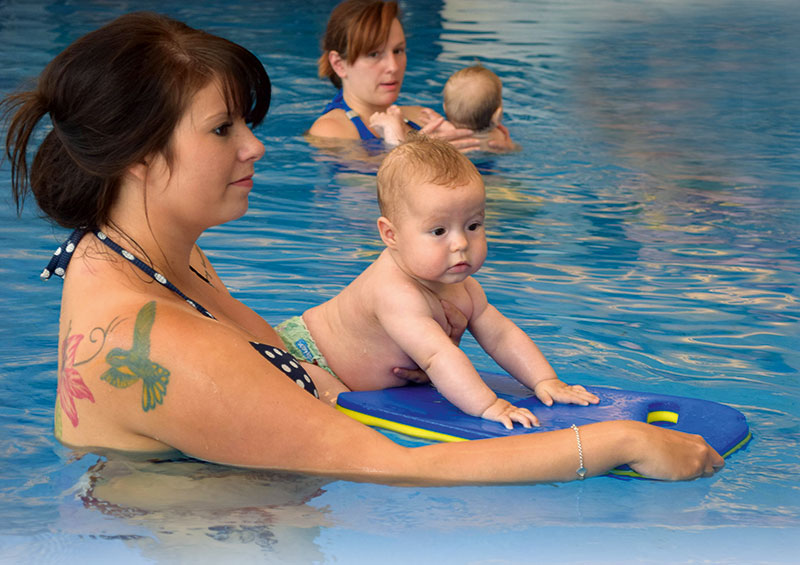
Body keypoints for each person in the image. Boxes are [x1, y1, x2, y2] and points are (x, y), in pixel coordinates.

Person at [2, 11, 725, 484]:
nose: (255, 145)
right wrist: (618, 444)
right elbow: (402, 466)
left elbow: (261, 353)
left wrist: (324, 373)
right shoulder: (166, 346)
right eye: (223, 129)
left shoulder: (128, 251)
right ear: (135, 154)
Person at [277, 135, 593, 429]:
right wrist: (488, 406)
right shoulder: (394, 291)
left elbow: (501, 335)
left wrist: (545, 381)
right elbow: (437, 356)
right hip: (307, 357)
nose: (460, 244)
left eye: (473, 225)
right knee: (335, 419)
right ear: (391, 234)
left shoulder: (463, 286)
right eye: (439, 231)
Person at [308, 0, 479, 151]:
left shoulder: (420, 116)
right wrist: (418, 151)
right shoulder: (330, 131)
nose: (393, 66)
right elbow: (363, 184)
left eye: (398, 51)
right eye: (374, 54)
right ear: (339, 64)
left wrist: (492, 144)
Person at [370, 65, 516, 152]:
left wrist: (441, 124)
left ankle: (391, 128)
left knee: (401, 152)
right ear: (497, 115)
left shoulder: (444, 143)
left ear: (445, 108)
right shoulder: (499, 139)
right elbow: (470, 134)